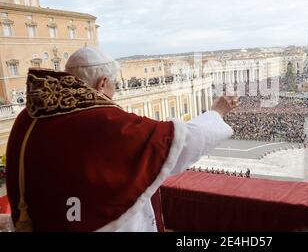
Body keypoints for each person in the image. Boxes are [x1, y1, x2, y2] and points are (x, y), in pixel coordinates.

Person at [6, 46, 238, 232]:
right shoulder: (105, 121)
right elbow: (179, 143)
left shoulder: (29, 117)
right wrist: (216, 113)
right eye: (114, 86)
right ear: (103, 83)